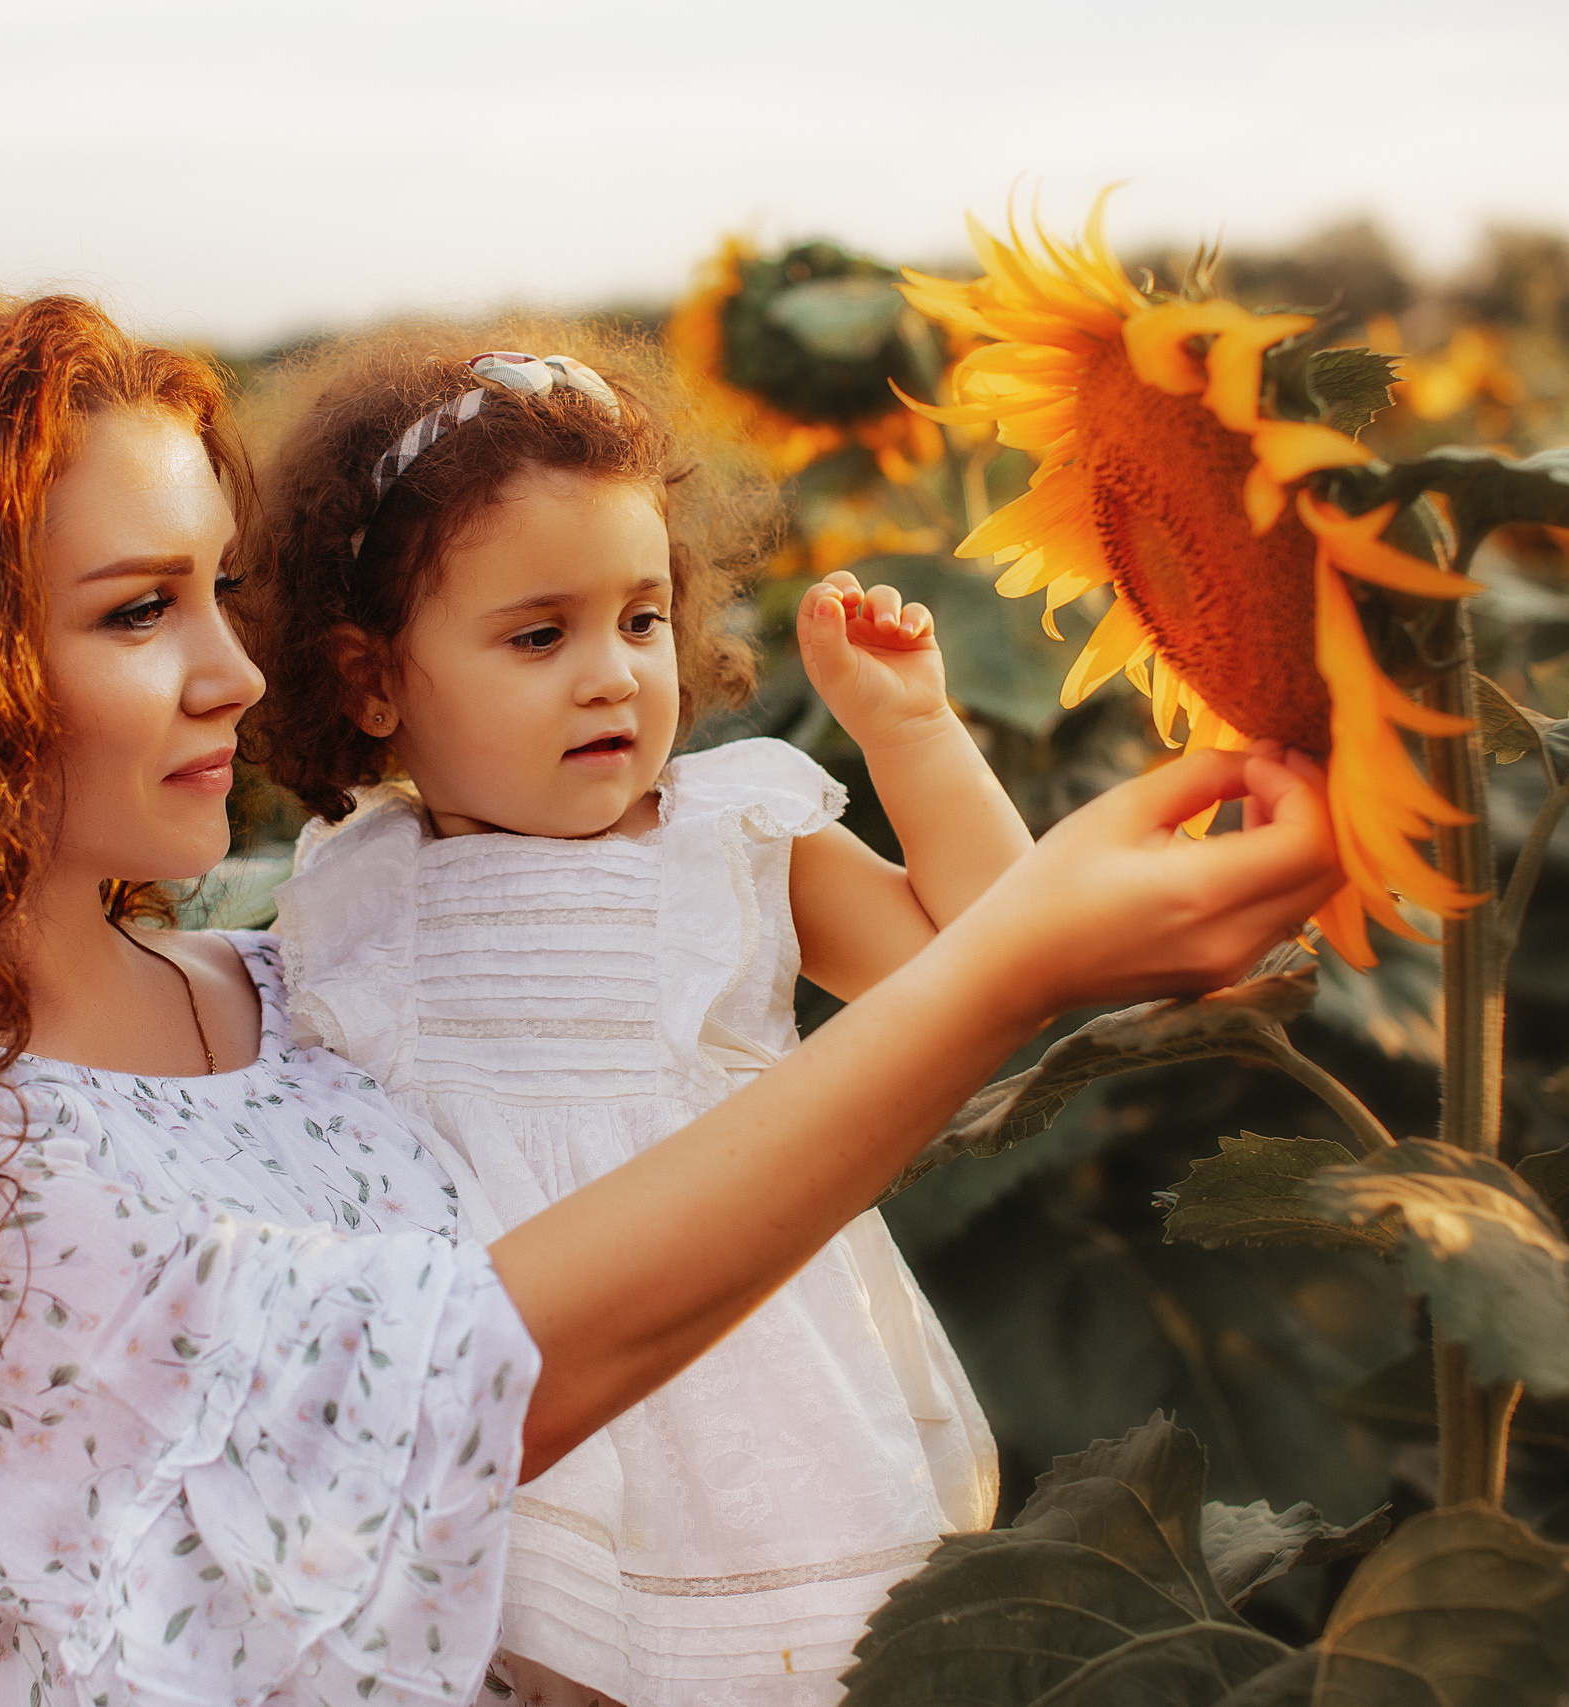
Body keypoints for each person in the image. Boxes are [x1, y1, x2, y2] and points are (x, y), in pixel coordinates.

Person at [0, 290, 1341, 1707]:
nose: (235, 670)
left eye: (222, 591)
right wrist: (1007, 974)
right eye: (135, 611)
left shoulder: (290, 989)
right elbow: (443, 1392)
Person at [243, 328, 1036, 1706]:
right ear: (371, 681)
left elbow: (989, 957)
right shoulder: (352, 893)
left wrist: (910, 730)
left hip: (754, 1386)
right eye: (539, 636)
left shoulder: (735, 836)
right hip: (526, 1421)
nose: (612, 673)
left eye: (643, 618)